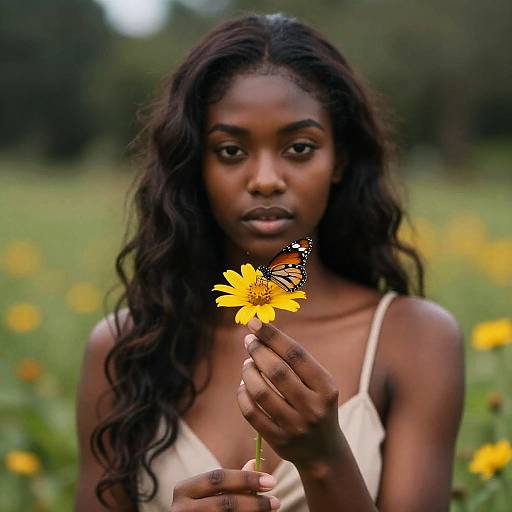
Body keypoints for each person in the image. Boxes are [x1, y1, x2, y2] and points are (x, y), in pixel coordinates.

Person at [75, 13, 465, 512]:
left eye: (299, 149)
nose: (265, 179)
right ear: (196, 164)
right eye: (231, 150)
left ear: (339, 159)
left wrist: (325, 459)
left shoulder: (414, 340)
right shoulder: (123, 348)